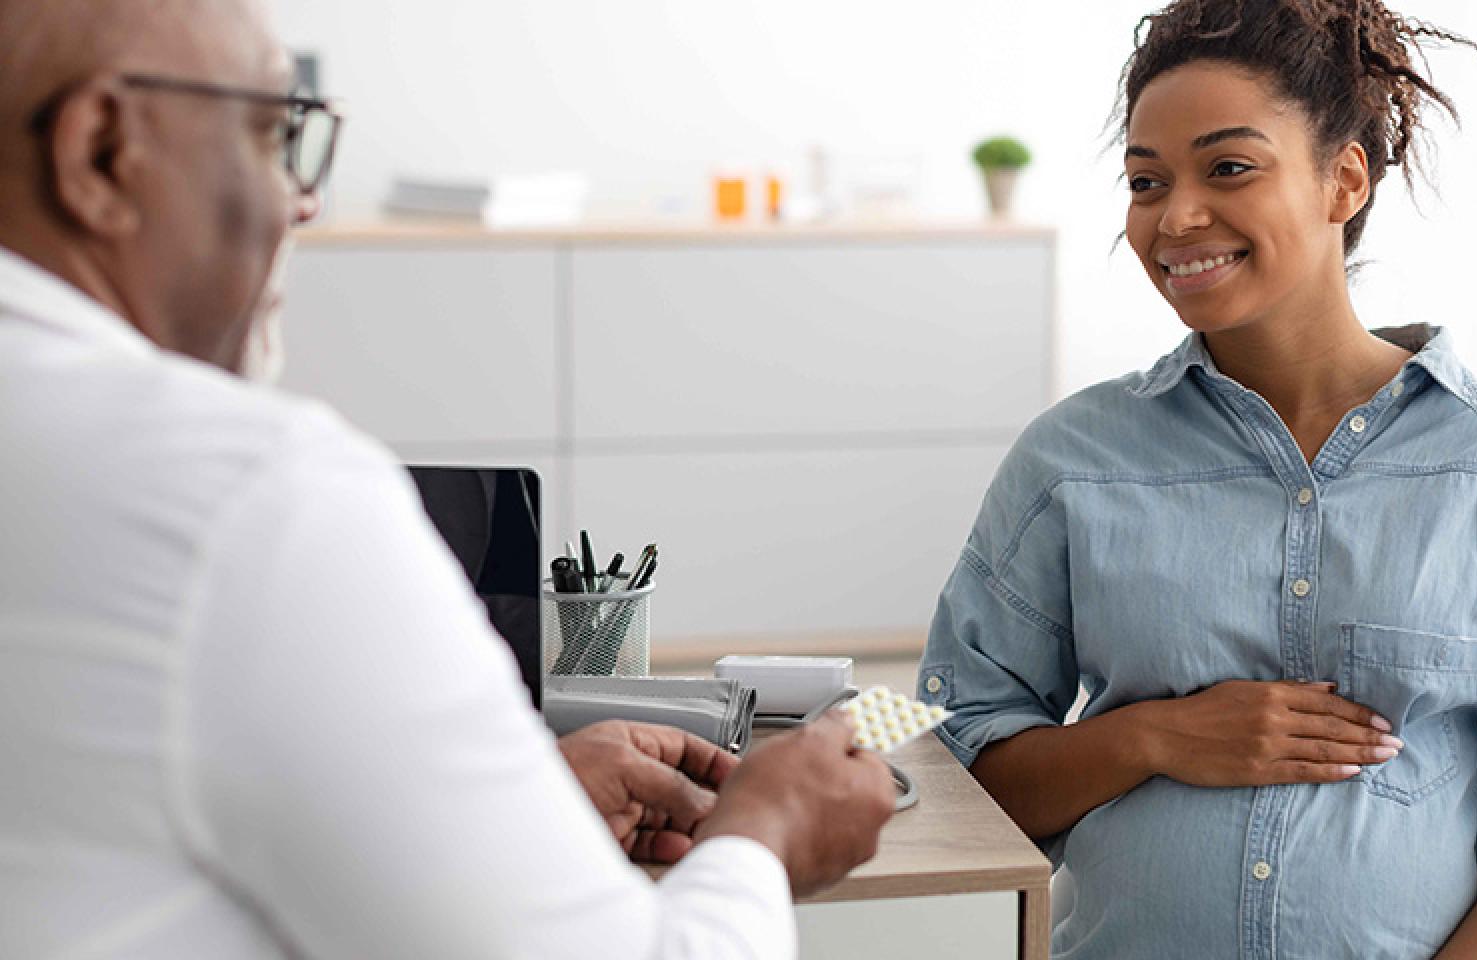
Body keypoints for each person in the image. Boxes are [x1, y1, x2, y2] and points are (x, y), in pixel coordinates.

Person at [0, 1, 896, 957]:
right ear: (100, 151)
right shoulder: (254, 499)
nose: (301, 200)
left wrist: (505, 809)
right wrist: (768, 834)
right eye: (274, 133)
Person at [917, 1, 1477, 957]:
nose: (1175, 217)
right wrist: (1154, 737)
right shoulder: (1071, 462)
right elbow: (941, 743)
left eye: (1228, 167)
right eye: (1146, 181)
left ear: (1343, 179)